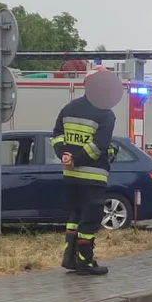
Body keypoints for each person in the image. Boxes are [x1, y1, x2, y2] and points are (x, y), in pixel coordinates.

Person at [53, 82, 115, 276]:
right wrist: (77, 160)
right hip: (92, 177)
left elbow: (57, 135)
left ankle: (70, 259)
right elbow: (99, 146)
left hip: (70, 176)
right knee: (90, 220)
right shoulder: (106, 113)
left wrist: (64, 154)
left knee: (74, 217)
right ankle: (85, 262)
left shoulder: (69, 108)